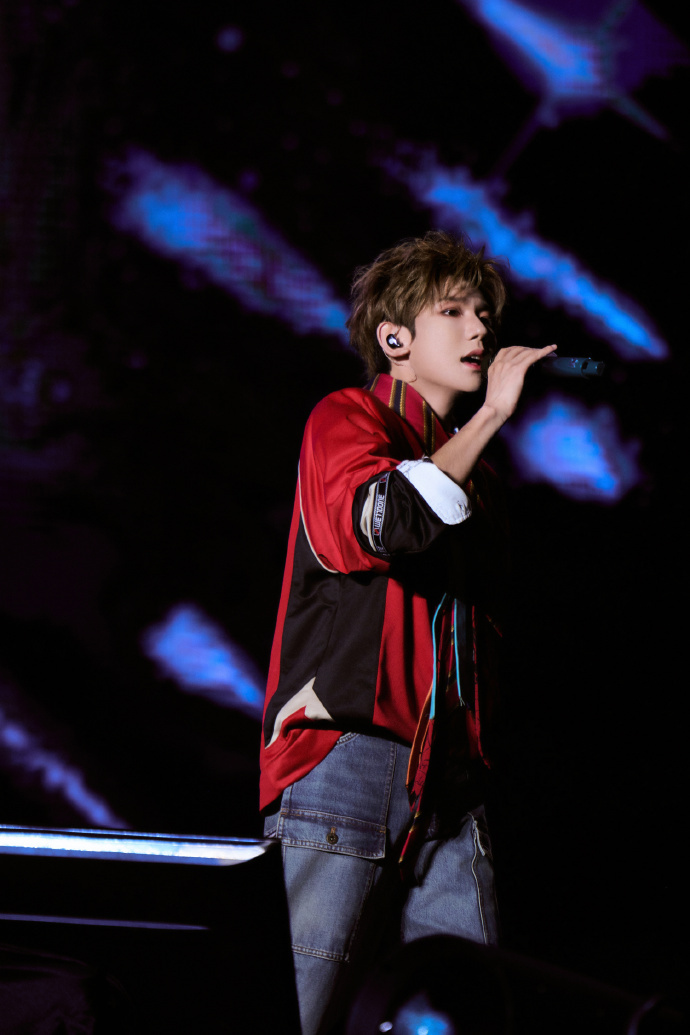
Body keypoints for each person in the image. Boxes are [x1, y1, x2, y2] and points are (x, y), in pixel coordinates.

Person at [260, 230, 556, 1035]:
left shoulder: (480, 475)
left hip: (451, 781)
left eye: (484, 313)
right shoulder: (348, 417)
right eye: (453, 311)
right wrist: (493, 414)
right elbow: (383, 522)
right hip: (349, 756)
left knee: (469, 1007)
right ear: (395, 339)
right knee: (302, 1007)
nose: (480, 329)